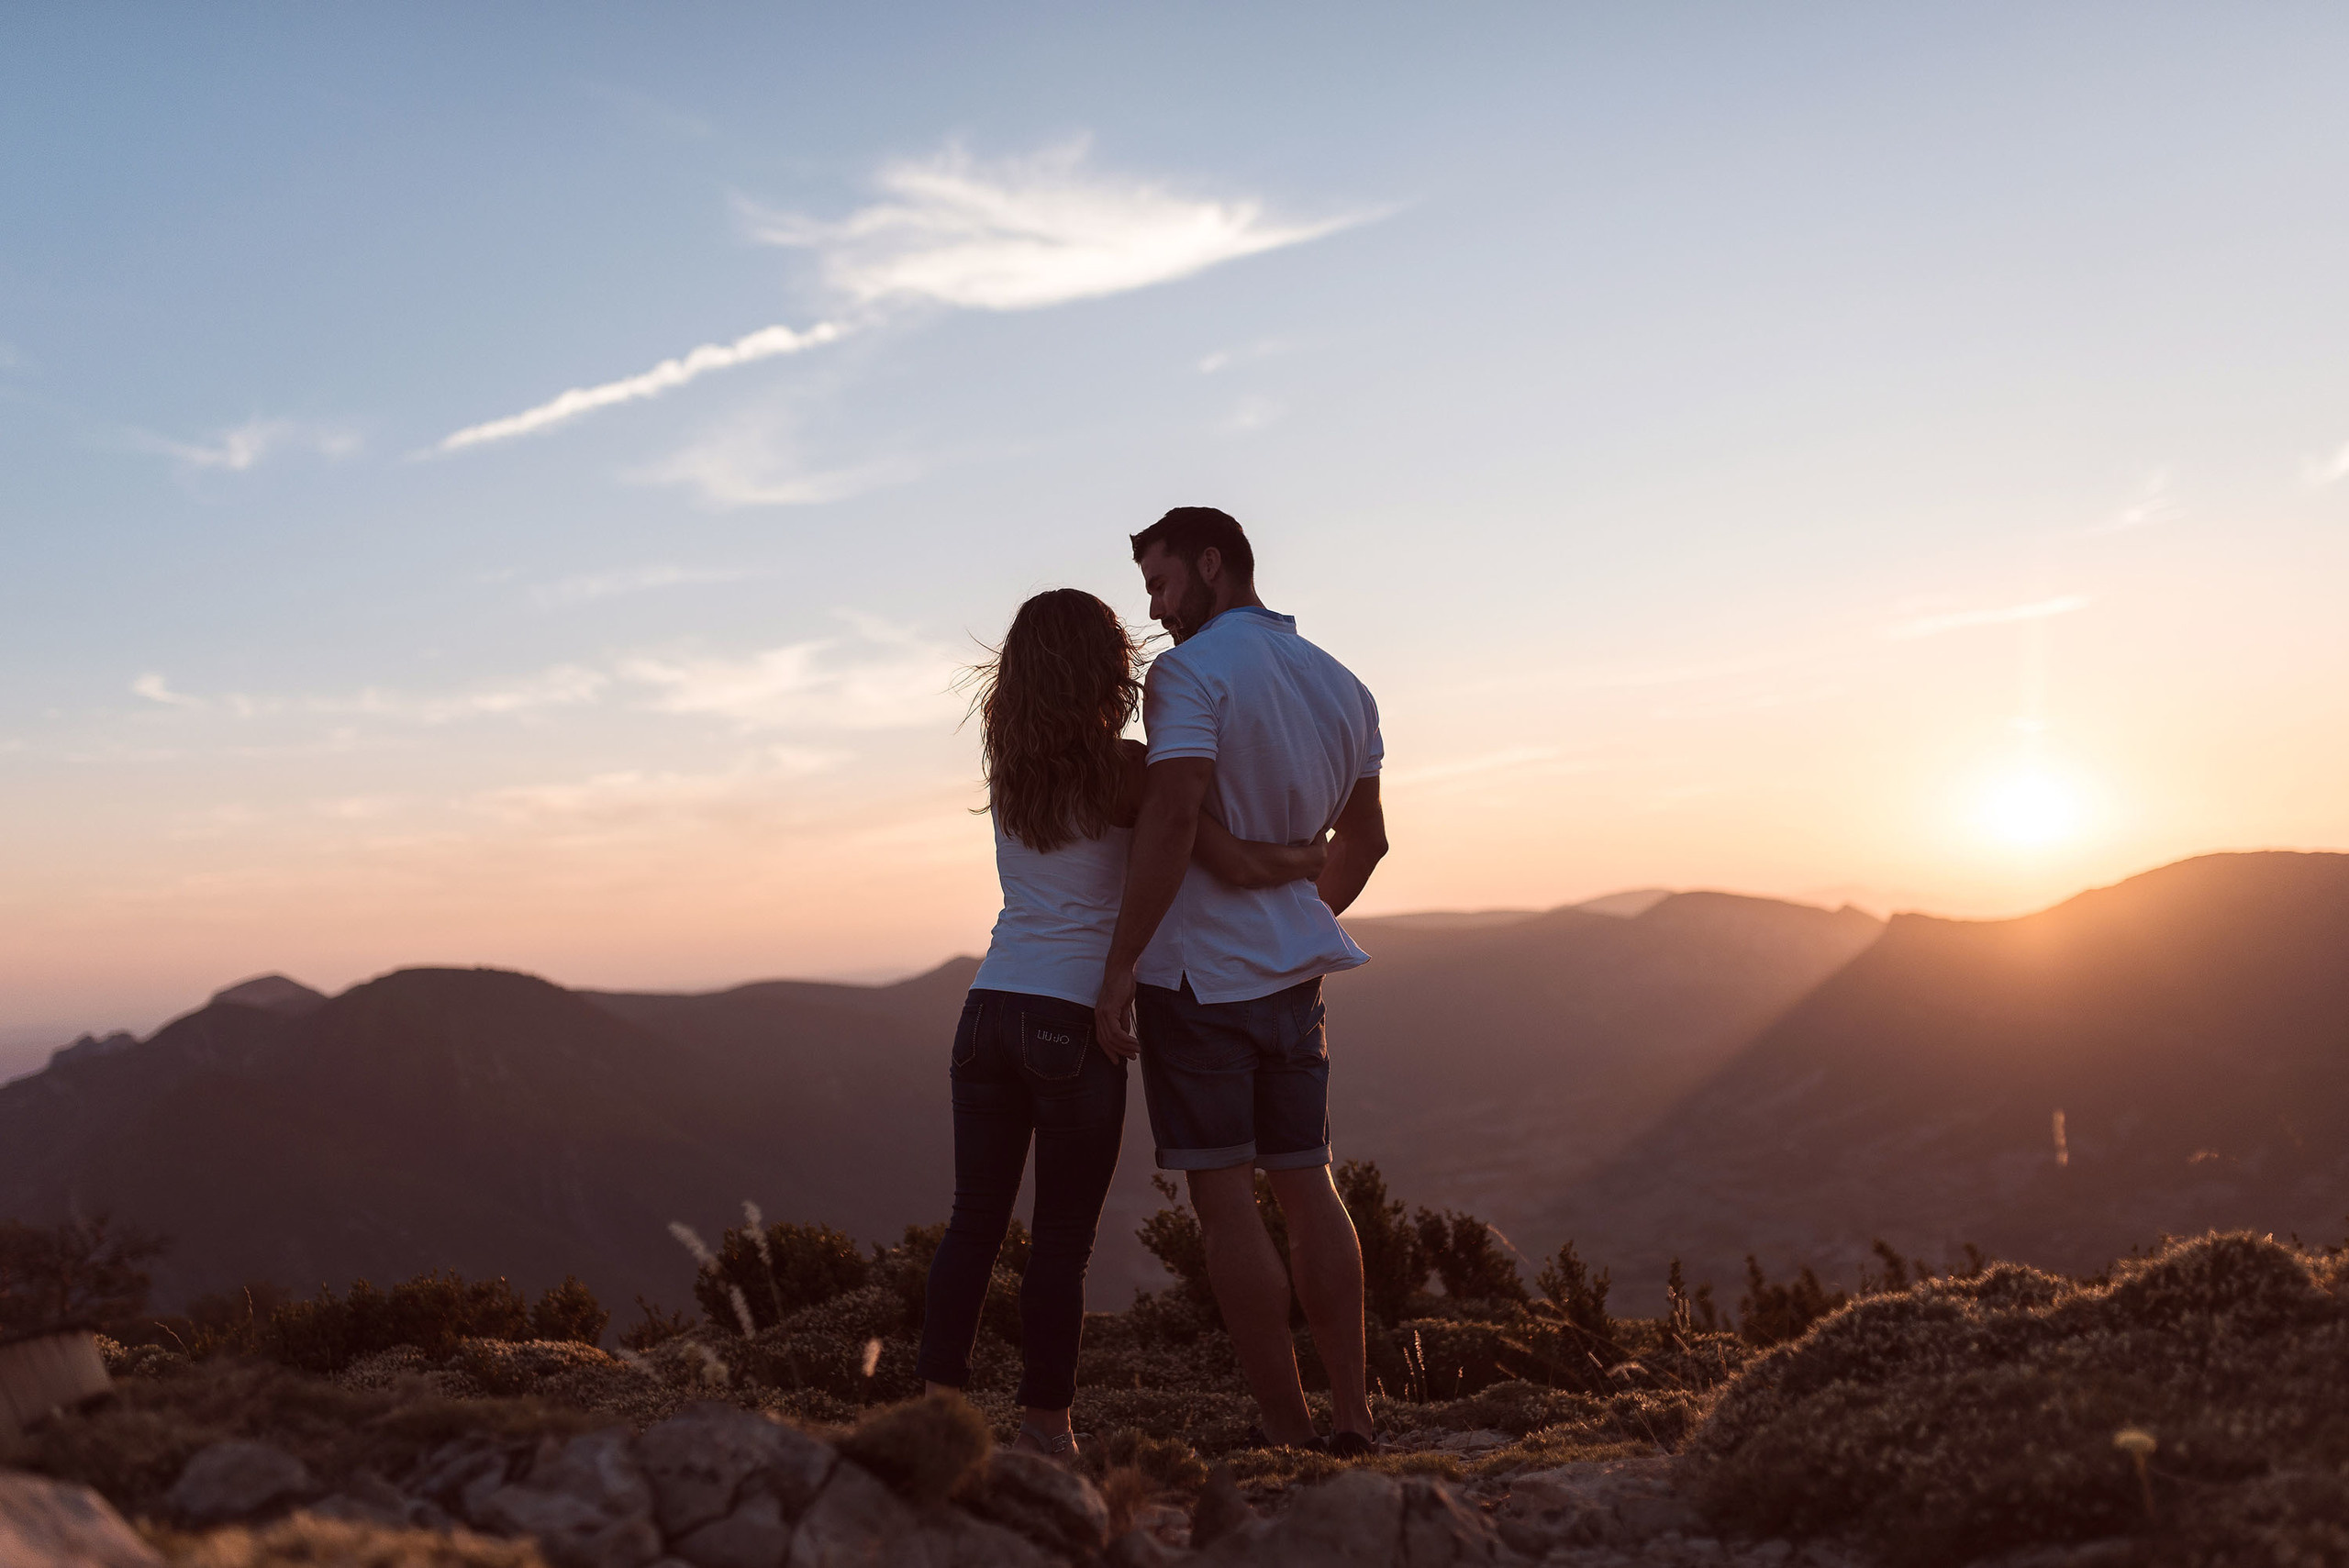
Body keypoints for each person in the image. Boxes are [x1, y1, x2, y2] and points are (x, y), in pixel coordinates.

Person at [914, 587, 1325, 1462]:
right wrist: (1307, 856)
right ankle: (1045, 1430)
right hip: (1071, 1022)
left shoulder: (1008, 764)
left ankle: (929, 1412)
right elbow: (1222, 855)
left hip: (987, 1011)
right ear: (1109, 668)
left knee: (971, 1224)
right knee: (1060, 1239)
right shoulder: (1128, 772)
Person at [1094, 506, 1390, 1456]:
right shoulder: (1343, 684)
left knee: (1226, 1206)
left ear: (1210, 564)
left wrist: (1120, 964)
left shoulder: (1187, 675)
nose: (1154, 609)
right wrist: (1295, 916)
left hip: (1195, 980)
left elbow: (1172, 817)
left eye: (1160, 583)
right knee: (1311, 1186)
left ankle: (1287, 1429)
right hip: (1296, 978)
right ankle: (1353, 1414)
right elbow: (1368, 838)